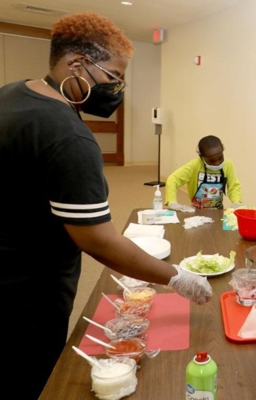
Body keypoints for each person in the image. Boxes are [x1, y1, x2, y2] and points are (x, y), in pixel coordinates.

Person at [0, 13, 212, 400]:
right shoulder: (67, 136)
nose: (117, 88)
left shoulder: (13, 94)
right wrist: (175, 276)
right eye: (113, 76)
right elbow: (99, 240)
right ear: (77, 63)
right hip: (26, 298)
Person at [165, 135, 243, 211]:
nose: (217, 163)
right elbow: (173, 179)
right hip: (197, 211)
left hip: (218, 210)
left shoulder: (228, 165)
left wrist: (236, 202)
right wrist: (172, 201)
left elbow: (234, 187)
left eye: (220, 158)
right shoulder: (195, 165)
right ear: (201, 157)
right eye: (212, 161)